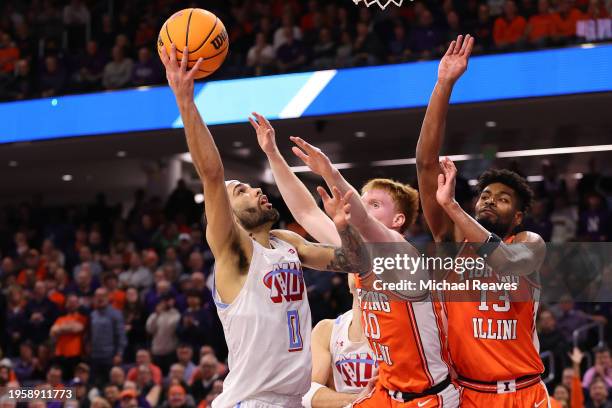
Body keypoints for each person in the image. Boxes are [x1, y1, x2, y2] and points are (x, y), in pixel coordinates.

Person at [160, 43, 370, 408]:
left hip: (289, 400)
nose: (257, 189)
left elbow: (356, 261)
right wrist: (186, 102)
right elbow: (212, 174)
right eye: (242, 190)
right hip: (252, 401)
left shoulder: (287, 242)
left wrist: (344, 225)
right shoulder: (235, 252)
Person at [250, 112, 457, 406]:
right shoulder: (359, 251)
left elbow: (363, 221)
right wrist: (272, 154)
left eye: (374, 203)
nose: (361, 206)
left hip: (428, 395)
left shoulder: (401, 254)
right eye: (363, 200)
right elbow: (307, 213)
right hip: (388, 390)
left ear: (398, 219)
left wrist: (330, 173)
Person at [416, 34, 549, 407]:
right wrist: (443, 84)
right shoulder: (452, 240)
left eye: (502, 199)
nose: (490, 201)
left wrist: (455, 207)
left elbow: (505, 262)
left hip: (525, 391)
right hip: (469, 392)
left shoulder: (528, 243)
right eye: (485, 196)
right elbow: (426, 164)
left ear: (518, 215)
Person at [307, 275, 378, 408]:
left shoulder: (404, 331)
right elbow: (308, 392)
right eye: (356, 266)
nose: (361, 272)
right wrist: (357, 399)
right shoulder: (326, 330)